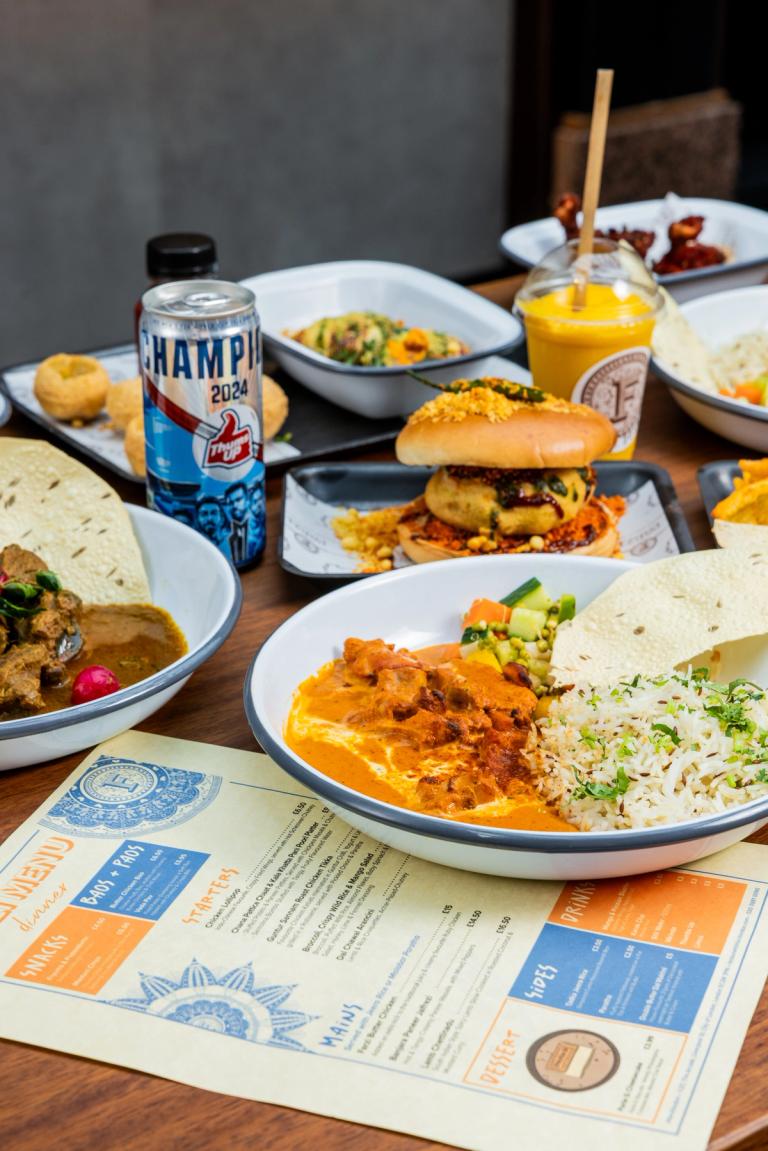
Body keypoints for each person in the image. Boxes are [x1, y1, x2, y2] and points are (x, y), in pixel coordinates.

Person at [196, 496, 232, 560]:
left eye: (214, 513)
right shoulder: (193, 545)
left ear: (222, 517)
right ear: (198, 518)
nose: (209, 518)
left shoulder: (231, 543)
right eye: (204, 514)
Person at [225, 483, 250, 566]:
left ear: (247, 500)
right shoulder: (228, 533)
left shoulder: (254, 527)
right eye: (230, 503)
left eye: (238, 500)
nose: (234, 505)